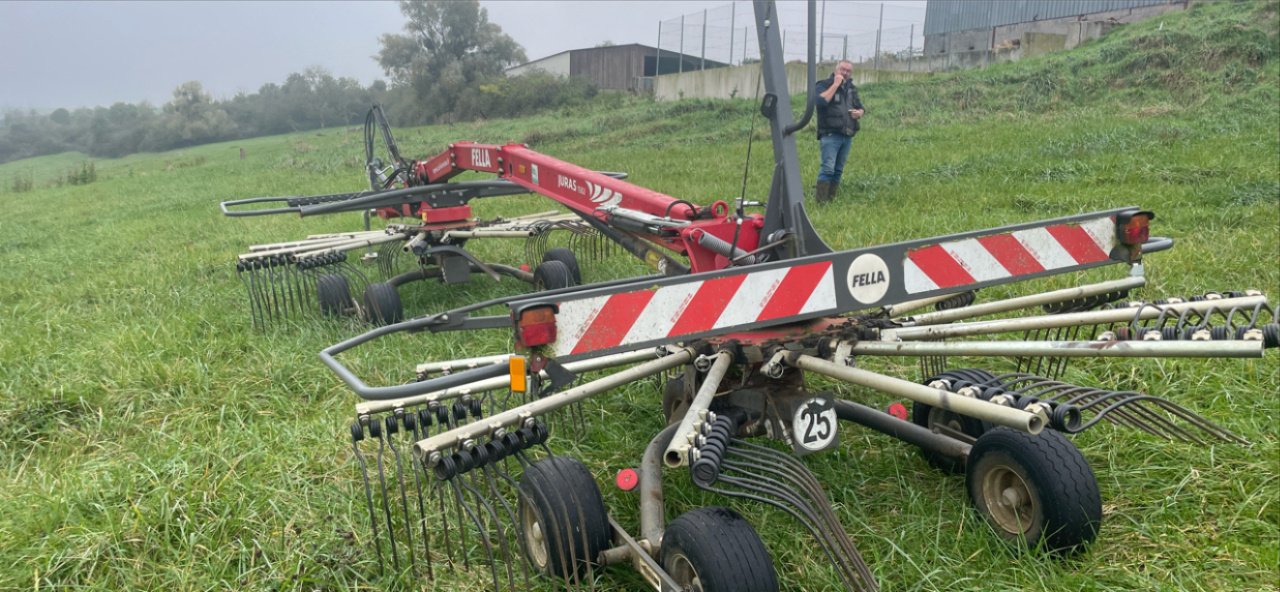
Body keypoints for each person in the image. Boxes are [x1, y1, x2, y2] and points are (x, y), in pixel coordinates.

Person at [814, 60, 865, 203]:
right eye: (843, 69)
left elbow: (860, 107)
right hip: (830, 133)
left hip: (847, 134)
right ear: (836, 70)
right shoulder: (823, 84)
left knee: (838, 170)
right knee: (828, 169)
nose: (845, 73)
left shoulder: (851, 89)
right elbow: (820, 101)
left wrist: (859, 113)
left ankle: (830, 199)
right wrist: (836, 84)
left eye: (848, 71)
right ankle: (821, 202)